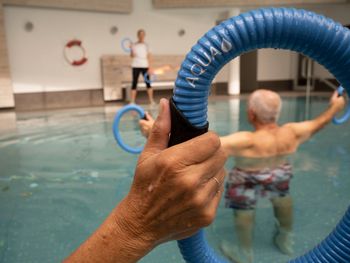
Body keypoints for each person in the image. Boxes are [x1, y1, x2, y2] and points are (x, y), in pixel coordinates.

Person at [139, 90, 345, 263]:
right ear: (276, 113)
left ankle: (245, 253)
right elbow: (320, 123)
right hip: (279, 175)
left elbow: (196, 149)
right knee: (283, 200)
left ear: (252, 114)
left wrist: (153, 131)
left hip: (247, 178)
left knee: (243, 210)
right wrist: (335, 107)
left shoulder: (246, 140)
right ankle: (285, 238)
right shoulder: (292, 132)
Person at [64, 99, 226, 263]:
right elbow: (208, 146)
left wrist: (135, 227)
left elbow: (201, 149)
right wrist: (135, 227)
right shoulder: (247, 139)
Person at [130, 29, 155, 105]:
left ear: (144, 36)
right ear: (138, 36)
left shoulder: (147, 45)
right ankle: (132, 101)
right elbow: (132, 56)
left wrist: (150, 67)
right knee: (134, 83)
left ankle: (151, 100)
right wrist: (131, 49)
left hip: (145, 65)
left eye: (143, 35)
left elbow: (149, 56)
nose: (141, 36)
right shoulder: (134, 45)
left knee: (148, 83)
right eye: (140, 35)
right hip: (135, 65)